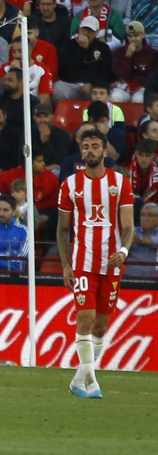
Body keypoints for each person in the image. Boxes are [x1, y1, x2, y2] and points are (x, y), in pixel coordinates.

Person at [56, 129, 137, 400]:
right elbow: (62, 230)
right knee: (86, 318)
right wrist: (66, 265)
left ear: (105, 151)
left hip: (112, 263)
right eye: (85, 146)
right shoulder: (69, 185)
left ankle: (78, 379)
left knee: (101, 327)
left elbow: (128, 226)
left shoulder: (120, 182)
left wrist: (124, 251)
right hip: (82, 262)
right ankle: (92, 381)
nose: (89, 150)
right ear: (81, 151)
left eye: (94, 146)